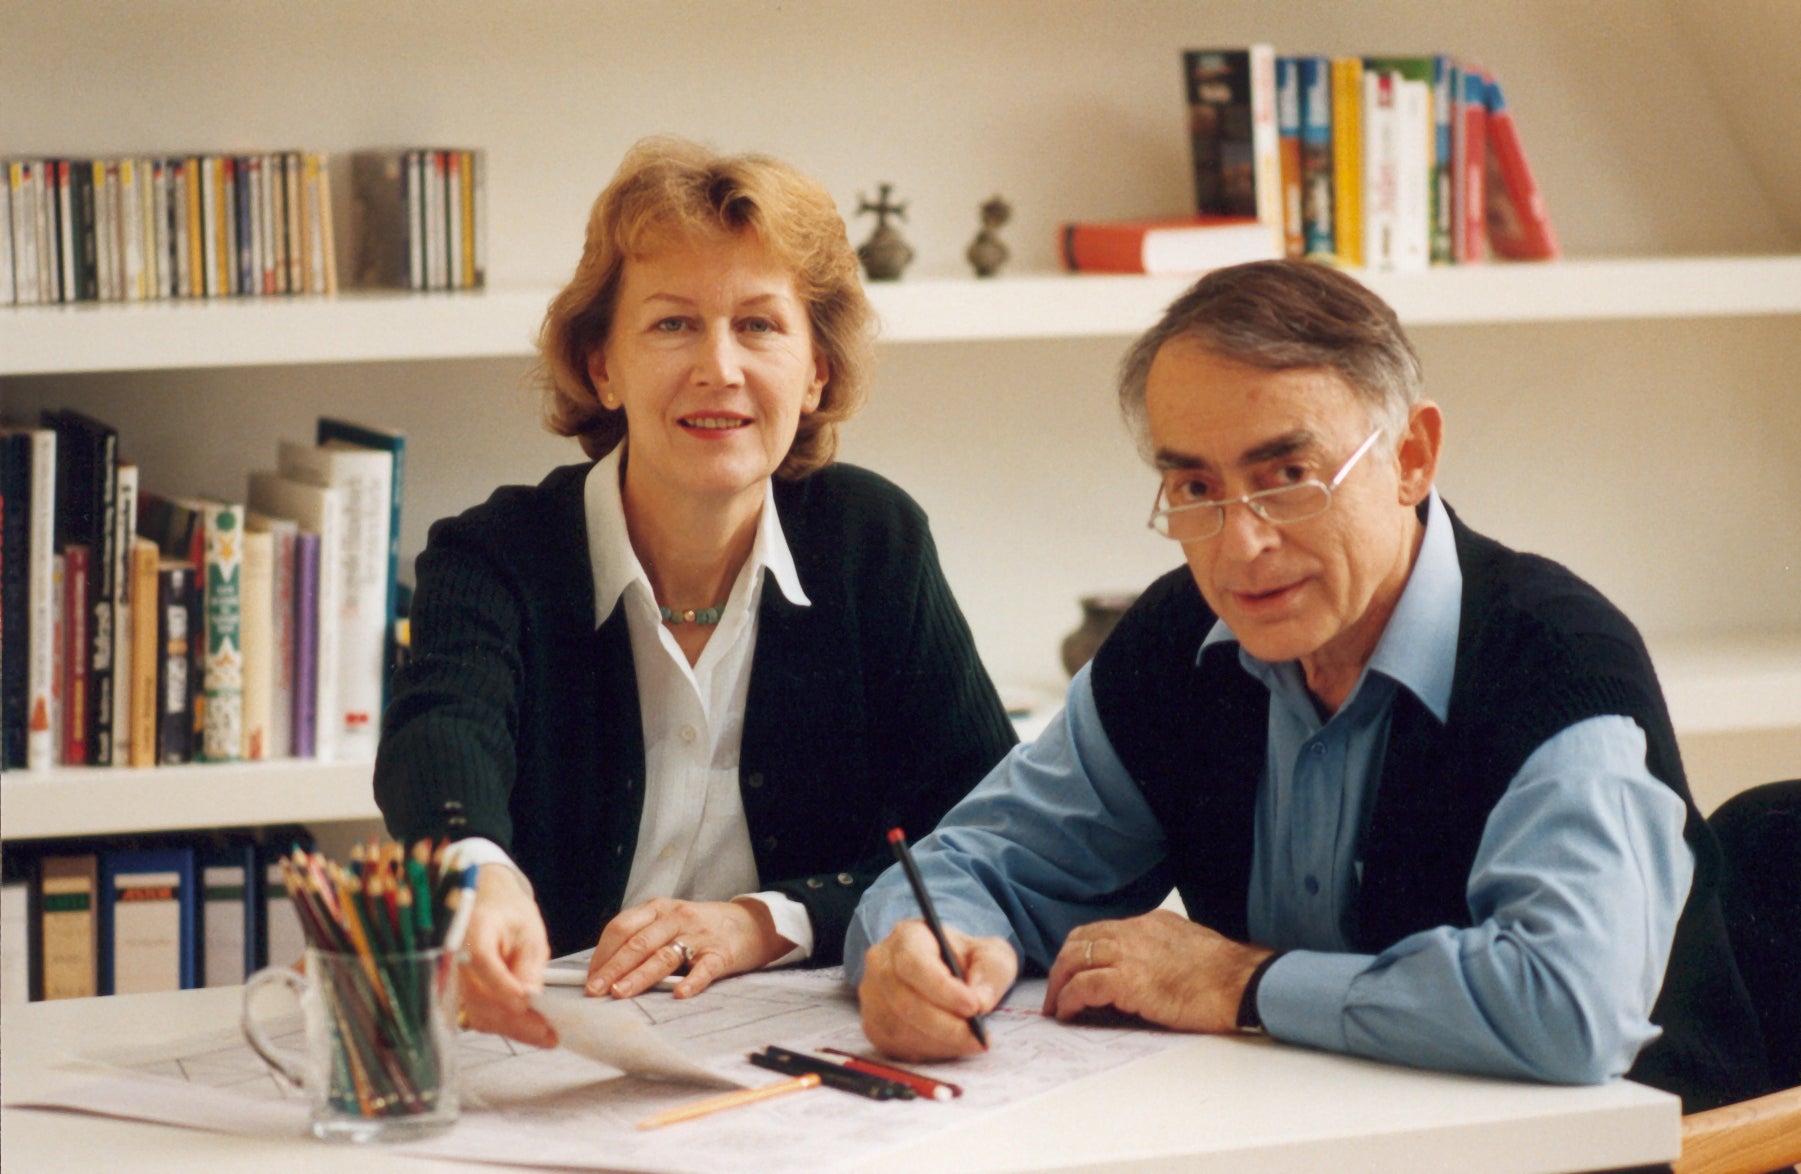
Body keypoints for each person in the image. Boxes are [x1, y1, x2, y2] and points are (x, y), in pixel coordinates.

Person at [846, 259, 1770, 1112]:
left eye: (1287, 476)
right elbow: (975, 865)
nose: (1239, 544)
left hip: (1614, 1151)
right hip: (1317, 1132)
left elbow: (1568, 1005)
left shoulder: (1555, 659)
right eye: (1196, 488)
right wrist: (918, 951)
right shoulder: (1179, 643)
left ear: (1411, 458)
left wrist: (1238, 982)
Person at [376, 137, 1015, 1047]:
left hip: (807, 1049)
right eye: (672, 324)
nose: (719, 367)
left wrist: (763, 922)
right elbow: (441, 732)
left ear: (817, 367)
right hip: (543, 1044)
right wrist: (476, 868)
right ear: (603, 365)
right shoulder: (494, 554)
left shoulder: (873, 543)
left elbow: (982, 832)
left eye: (759, 325)